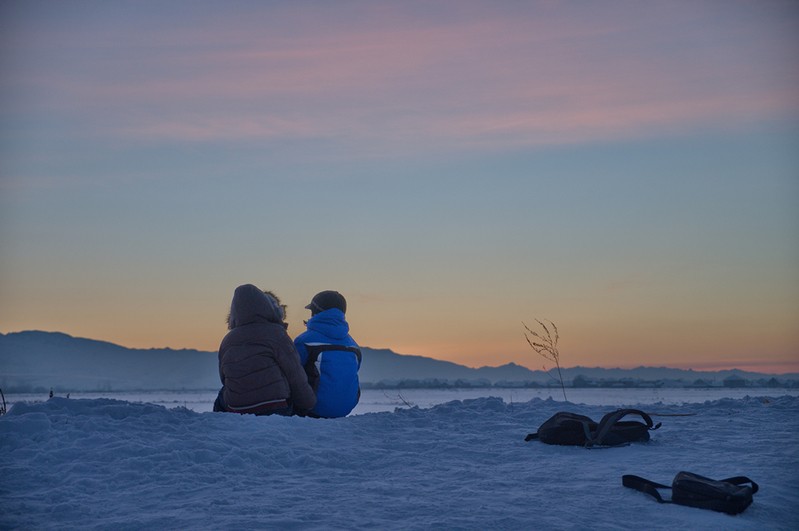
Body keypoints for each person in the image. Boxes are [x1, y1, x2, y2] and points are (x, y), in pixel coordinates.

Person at [214, 284, 316, 416]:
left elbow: (224, 377)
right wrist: (308, 404)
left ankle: (218, 423)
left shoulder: (227, 340)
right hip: (274, 407)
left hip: (237, 408)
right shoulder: (276, 333)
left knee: (222, 394)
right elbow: (295, 374)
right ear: (266, 307)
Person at [294, 290, 362, 418]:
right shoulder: (353, 344)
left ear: (315, 312)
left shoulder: (304, 341)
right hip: (346, 408)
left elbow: (291, 373)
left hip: (314, 409)